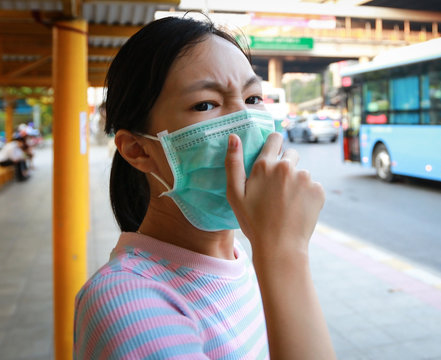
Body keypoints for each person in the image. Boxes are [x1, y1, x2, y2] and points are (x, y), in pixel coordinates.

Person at [73, 16, 336, 360]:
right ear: (137, 150)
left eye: (254, 98)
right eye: (206, 105)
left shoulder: (240, 260)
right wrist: (284, 250)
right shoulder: (124, 301)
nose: (246, 121)